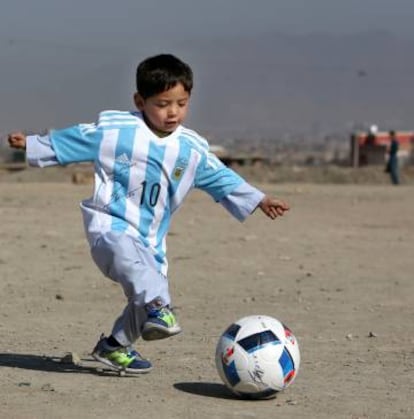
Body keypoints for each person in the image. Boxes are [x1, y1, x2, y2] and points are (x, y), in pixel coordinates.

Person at [8, 54, 289, 374]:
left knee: (150, 290)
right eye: (163, 103)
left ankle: (115, 346)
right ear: (140, 101)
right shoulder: (116, 130)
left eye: (181, 103)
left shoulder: (192, 149)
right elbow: (74, 139)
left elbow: (222, 178)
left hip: (151, 239)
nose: (173, 112)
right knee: (148, 288)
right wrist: (31, 144)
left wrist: (259, 199)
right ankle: (159, 307)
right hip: (109, 224)